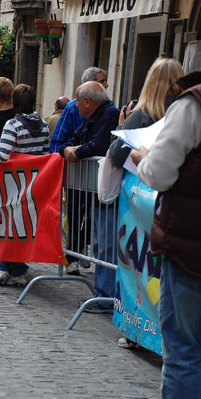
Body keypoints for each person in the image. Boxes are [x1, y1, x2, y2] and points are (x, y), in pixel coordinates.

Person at [130, 68, 201, 399]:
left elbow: (158, 173)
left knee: (184, 350)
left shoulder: (192, 105)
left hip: (191, 250)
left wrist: (143, 159)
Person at [107, 58, 184, 350]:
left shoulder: (140, 116)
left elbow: (115, 154)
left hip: (139, 201)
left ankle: (136, 330)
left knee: (136, 267)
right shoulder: (186, 113)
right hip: (173, 203)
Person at [0, 84, 49, 285]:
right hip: (33, 182)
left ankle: (4, 268)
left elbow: (2, 155)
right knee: (22, 225)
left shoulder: (13, 124)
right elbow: (44, 155)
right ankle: (18, 269)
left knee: (9, 223)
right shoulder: (43, 125)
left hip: (12, 182)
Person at [59, 81, 120, 310]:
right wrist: (67, 149)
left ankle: (104, 296)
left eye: (77, 100)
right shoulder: (91, 116)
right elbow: (72, 140)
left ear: (87, 101)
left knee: (104, 245)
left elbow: (98, 146)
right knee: (98, 242)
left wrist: (77, 152)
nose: (74, 106)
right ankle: (101, 292)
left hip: (103, 191)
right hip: (92, 189)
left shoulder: (108, 114)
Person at [50, 67, 109, 152]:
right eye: (102, 81)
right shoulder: (71, 108)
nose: (106, 85)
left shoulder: (109, 109)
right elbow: (59, 139)